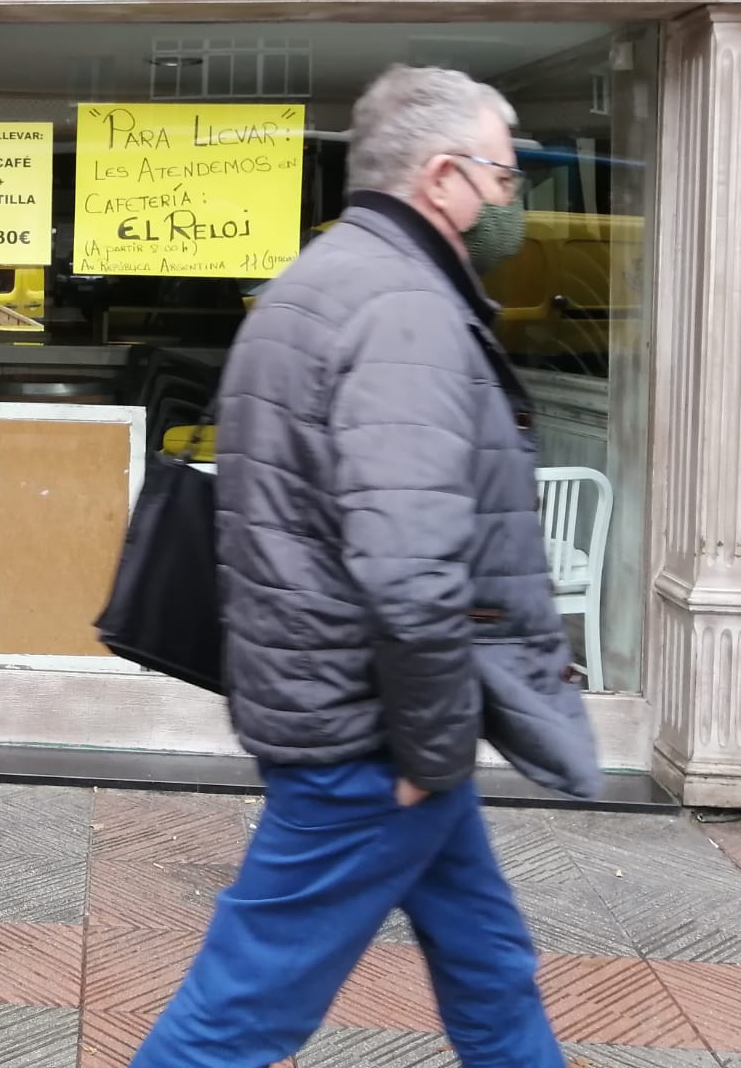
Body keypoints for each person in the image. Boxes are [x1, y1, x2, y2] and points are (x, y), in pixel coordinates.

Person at [132, 67, 600, 1068]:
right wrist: (429, 754)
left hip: (367, 708)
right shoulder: (404, 313)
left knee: (488, 964)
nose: (508, 203)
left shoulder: (321, 279)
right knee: (237, 1015)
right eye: (502, 179)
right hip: (373, 735)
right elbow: (409, 566)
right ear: (440, 178)